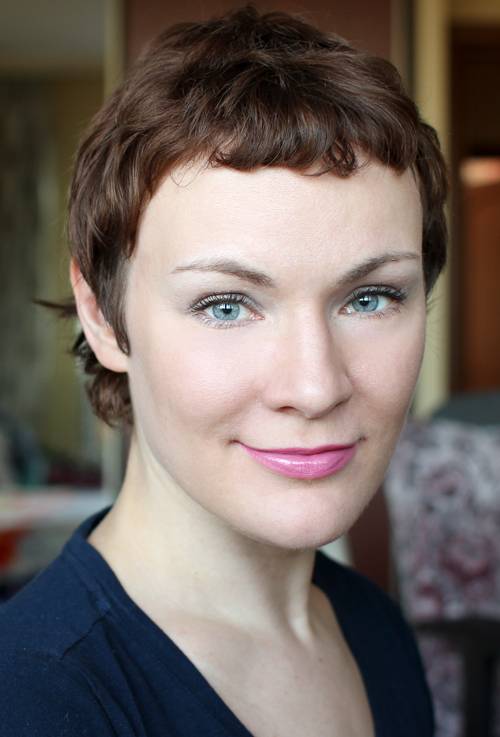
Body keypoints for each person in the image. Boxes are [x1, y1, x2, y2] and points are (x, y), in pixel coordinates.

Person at [0, 5, 448, 736]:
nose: (315, 387)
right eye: (227, 305)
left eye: (370, 297)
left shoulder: (376, 629)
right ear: (103, 316)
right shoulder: (31, 697)